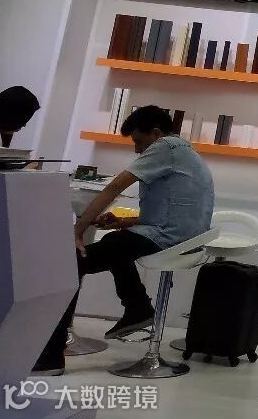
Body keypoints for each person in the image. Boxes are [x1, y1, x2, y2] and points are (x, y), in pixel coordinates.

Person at [32, 105, 215, 375]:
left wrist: (78, 229)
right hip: (181, 236)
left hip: (167, 239)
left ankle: (50, 358)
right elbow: (172, 212)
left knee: (70, 263)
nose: (137, 149)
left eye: (139, 141)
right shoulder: (185, 152)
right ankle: (137, 306)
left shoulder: (165, 147)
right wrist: (123, 221)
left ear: (156, 133)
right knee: (117, 242)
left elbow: (115, 186)